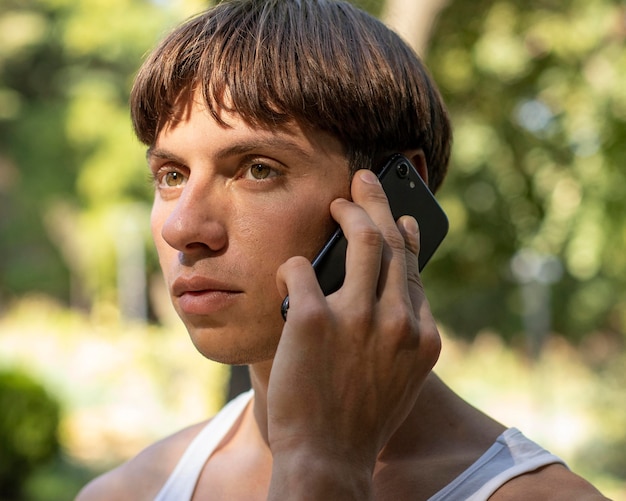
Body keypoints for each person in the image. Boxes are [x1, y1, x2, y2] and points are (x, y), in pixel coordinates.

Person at [77, 1, 608, 499]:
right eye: (171, 175)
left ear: (397, 196)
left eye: (258, 169)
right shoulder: (129, 490)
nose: (182, 228)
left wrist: (322, 468)